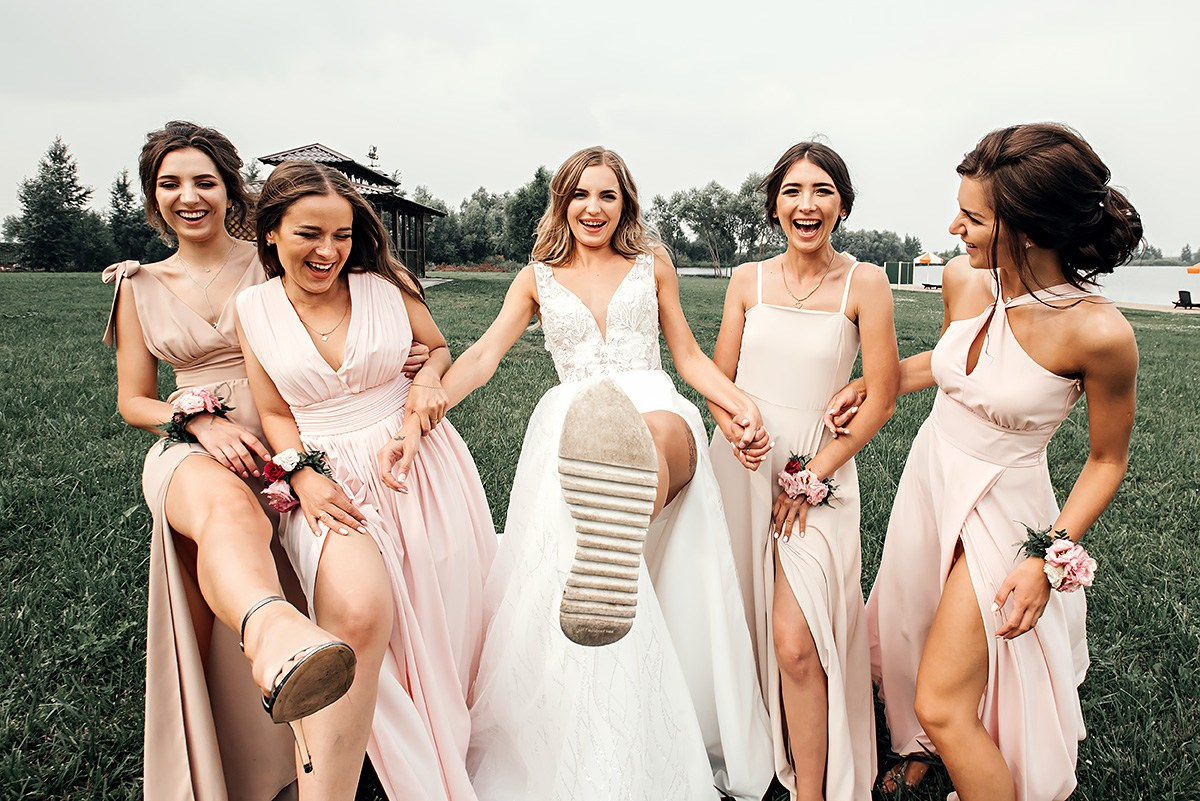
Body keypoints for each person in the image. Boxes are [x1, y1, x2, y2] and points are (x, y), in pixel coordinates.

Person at [435, 145, 774, 801]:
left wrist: (739, 406)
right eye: (581, 195)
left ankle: (612, 527)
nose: (593, 208)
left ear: (625, 205)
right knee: (603, 464)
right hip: (577, 426)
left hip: (653, 409)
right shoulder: (535, 278)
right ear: (562, 203)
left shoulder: (652, 266)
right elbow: (482, 356)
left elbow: (689, 357)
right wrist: (430, 406)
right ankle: (611, 548)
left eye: (607, 195)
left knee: (655, 429)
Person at [827, 123, 1140, 800]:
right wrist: (875, 384)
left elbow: (1107, 459)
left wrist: (1046, 556)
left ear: (1025, 228)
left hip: (1003, 509)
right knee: (915, 623)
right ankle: (922, 744)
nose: (954, 229)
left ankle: (957, 742)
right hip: (933, 474)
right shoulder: (967, 279)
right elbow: (957, 367)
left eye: (972, 218)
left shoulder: (1098, 331)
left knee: (945, 695)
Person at [103, 121, 356, 799]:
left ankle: (305, 754)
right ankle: (275, 638)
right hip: (189, 445)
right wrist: (195, 417)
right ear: (153, 196)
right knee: (226, 511)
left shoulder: (271, 258)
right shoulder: (137, 286)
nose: (188, 196)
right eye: (170, 184)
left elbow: (341, 313)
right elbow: (133, 399)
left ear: (229, 188)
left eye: (204, 181)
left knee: (309, 560)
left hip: (283, 429)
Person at [236, 161, 496, 801]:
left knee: (446, 611)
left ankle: (444, 737)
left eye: (342, 235)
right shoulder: (253, 309)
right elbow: (274, 411)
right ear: (271, 232)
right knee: (357, 609)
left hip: (415, 460)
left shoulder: (386, 285)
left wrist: (428, 378)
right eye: (309, 233)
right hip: (326, 474)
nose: (328, 251)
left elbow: (437, 350)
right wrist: (301, 474)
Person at [707, 142, 899, 800]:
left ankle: (811, 790)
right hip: (742, 466)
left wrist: (811, 476)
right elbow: (719, 381)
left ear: (842, 205)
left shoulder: (865, 283)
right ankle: (757, 742)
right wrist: (734, 427)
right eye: (792, 190)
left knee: (796, 638)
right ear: (774, 206)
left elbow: (883, 397)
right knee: (742, 619)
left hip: (819, 472)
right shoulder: (746, 281)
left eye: (822, 190)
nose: (806, 204)